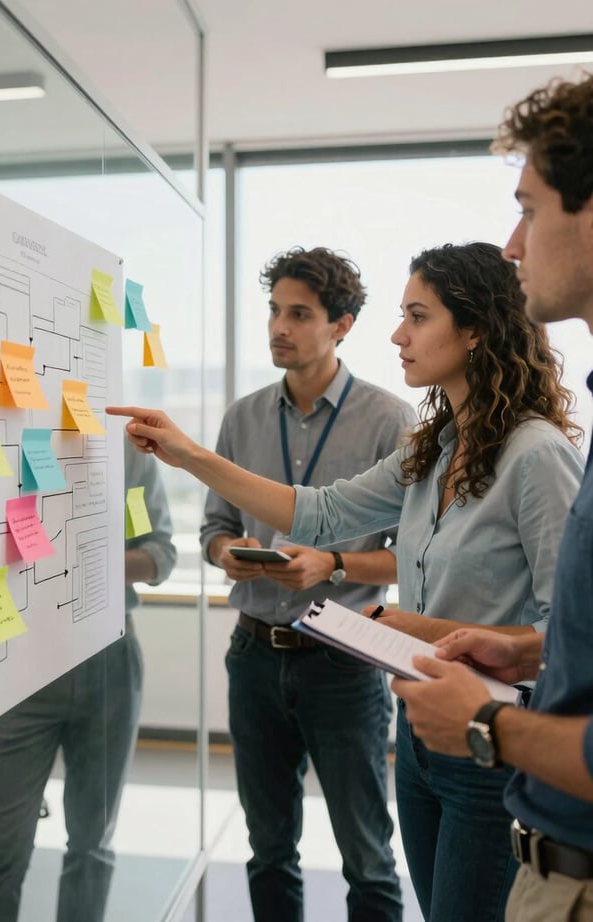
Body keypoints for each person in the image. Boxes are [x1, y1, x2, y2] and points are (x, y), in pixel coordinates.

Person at [108, 240, 585, 922]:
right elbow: (320, 510)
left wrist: (426, 631)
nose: (398, 334)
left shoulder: (536, 455)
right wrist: (188, 455)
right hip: (422, 735)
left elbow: (566, 633)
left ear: (475, 328)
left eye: (418, 316)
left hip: (488, 744)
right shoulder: (437, 447)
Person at [388, 73, 593, 922]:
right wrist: (532, 657)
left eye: (531, 208)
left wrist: (488, 725)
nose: (513, 244)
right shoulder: (437, 441)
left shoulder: (538, 453)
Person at [200, 246, 415, 922]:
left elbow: (415, 555)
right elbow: (212, 525)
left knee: (367, 858)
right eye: (273, 311)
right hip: (254, 653)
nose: (278, 327)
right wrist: (226, 550)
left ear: (341, 325)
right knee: (267, 850)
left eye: (299, 314)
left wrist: (336, 564)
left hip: (345, 661)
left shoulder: (390, 420)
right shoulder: (241, 417)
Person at [0, 442, 177, 922]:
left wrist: (89, 561)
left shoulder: (124, 449)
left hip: (107, 667)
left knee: (92, 840)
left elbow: (158, 552)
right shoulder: (2, 440)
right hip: (17, 666)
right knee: (1, 846)